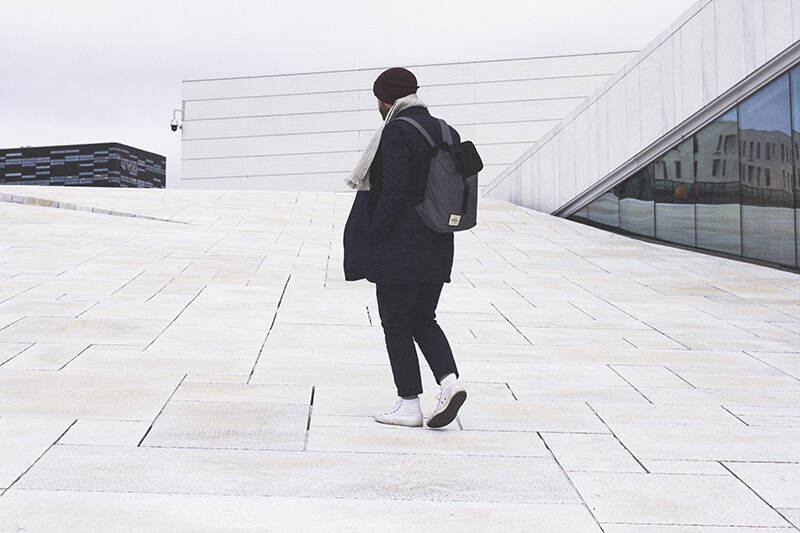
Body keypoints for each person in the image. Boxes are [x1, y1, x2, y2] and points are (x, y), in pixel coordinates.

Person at [343, 67, 466, 429]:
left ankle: (409, 404)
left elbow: (393, 191)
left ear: (387, 98)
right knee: (423, 318)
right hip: (440, 240)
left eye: (378, 99)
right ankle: (450, 383)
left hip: (402, 245)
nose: (377, 106)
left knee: (396, 323)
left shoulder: (397, 130)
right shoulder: (446, 129)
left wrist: (376, 233)